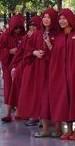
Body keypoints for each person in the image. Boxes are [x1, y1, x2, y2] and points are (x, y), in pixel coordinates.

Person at [16, 9, 63, 138]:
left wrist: (48, 46)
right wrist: (34, 53)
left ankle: (58, 128)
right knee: (43, 98)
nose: (46, 19)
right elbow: (28, 49)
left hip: (53, 71)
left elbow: (61, 53)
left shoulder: (59, 35)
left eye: (49, 17)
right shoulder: (37, 34)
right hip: (39, 70)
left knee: (54, 98)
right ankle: (45, 128)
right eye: (44, 17)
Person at [48, 9, 75, 140]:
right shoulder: (59, 37)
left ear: (70, 19)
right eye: (60, 19)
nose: (62, 21)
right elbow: (55, 56)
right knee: (65, 101)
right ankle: (68, 129)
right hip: (62, 76)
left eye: (64, 18)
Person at [8, 15, 42, 126]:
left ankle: (39, 116)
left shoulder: (42, 35)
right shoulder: (26, 38)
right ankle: (22, 111)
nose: (32, 28)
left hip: (38, 66)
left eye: (34, 26)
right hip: (26, 66)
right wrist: (14, 67)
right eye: (30, 26)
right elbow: (20, 53)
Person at [0, 14, 26, 122]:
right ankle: (8, 113)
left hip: (20, 65)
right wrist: (9, 52)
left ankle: (19, 111)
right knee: (8, 87)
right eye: (16, 28)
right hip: (7, 65)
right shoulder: (4, 36)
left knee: (19, 87)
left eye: (19, 28)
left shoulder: (24, 35)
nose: (18, 30)